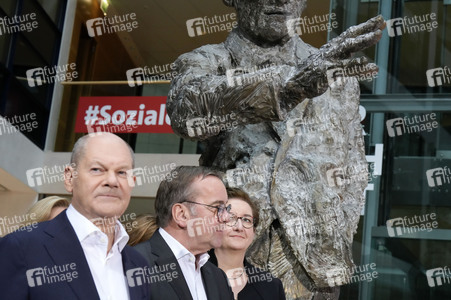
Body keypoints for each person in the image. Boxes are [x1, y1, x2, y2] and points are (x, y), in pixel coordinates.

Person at [167, 0, 384, 296]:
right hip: (230, 257)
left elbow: (353, 166)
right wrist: (287, 87)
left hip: (316, 266)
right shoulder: (209, 61)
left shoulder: (335, 75)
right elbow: (186, 110)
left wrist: (337, 230)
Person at [0, 133, 150, 300]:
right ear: (70, 177)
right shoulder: (22, 248)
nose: (112, 181)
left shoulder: (138, 265)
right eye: (97, 169)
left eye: (122, 172)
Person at [134, 165, 234, 300]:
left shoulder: (218, 278)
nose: (226, 217)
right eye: (217, 208)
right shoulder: (135, 265)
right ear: (181, 215)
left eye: (226, 208)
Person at [209, 187, 285, 300]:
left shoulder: (271, 286)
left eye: (246, 220)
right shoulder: (193, 274)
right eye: (230, 218)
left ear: (254, 232)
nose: (239, 227)